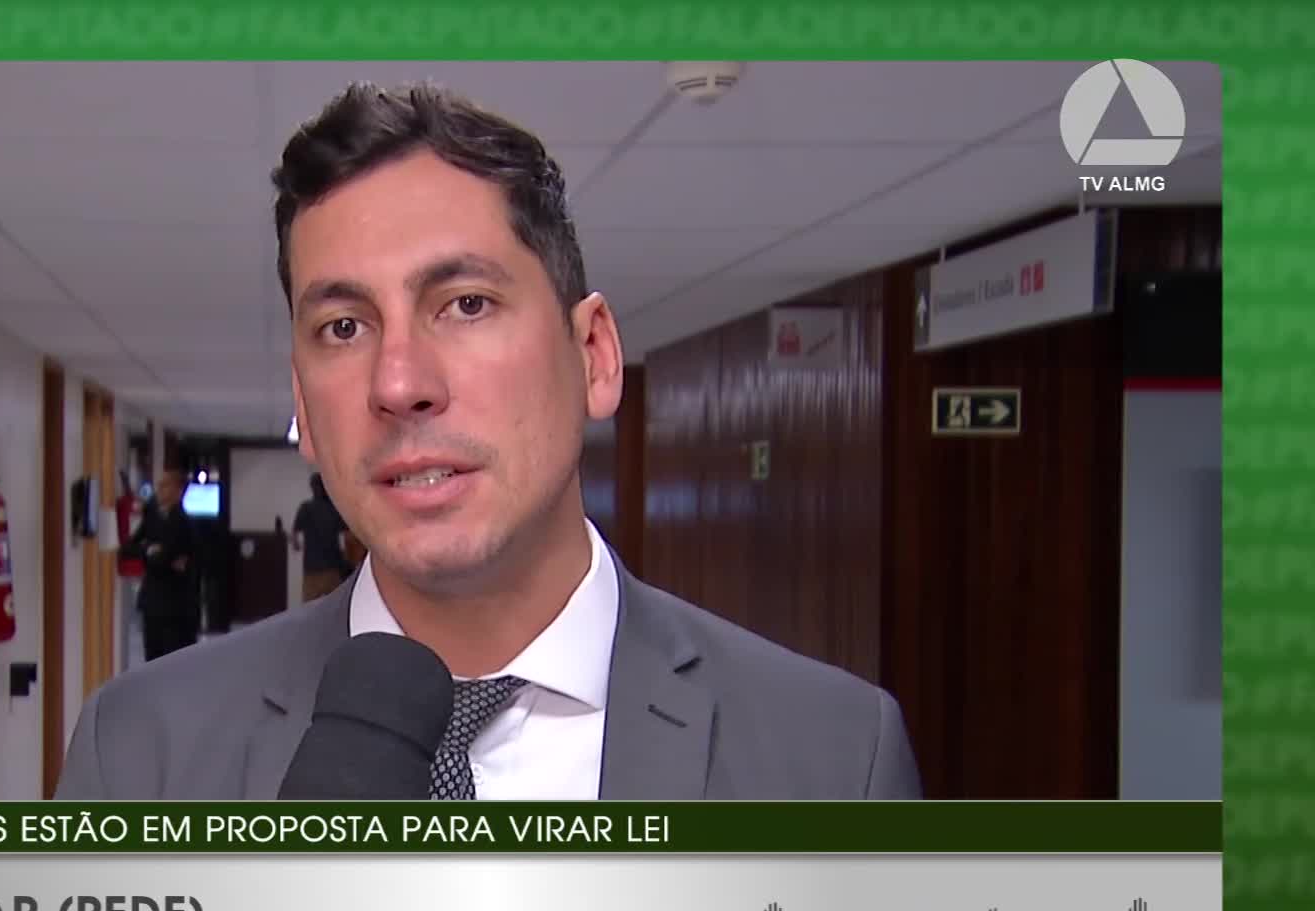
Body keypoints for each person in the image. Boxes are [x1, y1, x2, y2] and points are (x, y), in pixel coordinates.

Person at [57, 81, 921, 800]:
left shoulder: (835, 757)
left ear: (594, 357)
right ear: (304, 411)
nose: (399, 383)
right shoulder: (140, 753)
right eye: (344, 327)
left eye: (466, 304)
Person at [120, 468, 201, 661]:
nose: (159, 490)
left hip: (176, 608)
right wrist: (150, 550)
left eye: (165, 486)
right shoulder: (151, 517)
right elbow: (128, 549)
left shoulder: (184, 523)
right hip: (152, 603)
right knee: (152, 659)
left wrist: (158, 555)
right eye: (159, 485)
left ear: (178, 491)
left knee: (173, 662)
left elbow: (165, 559)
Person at [292, 472, 354, 602]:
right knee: (336, 606)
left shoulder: (306, 508)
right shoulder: (334, 508)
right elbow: (347, 536)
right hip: (333, 566)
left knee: (310, 608)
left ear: (312, 488)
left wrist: (296, 546)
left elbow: (295, 534)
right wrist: (347, 557)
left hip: (312, 568)